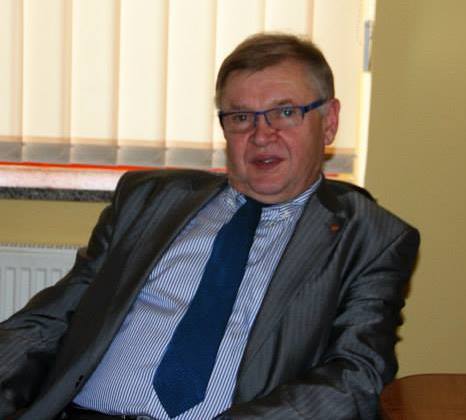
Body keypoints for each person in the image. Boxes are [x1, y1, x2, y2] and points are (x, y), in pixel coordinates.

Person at [0, 33, 419, 420]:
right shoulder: (148, 200)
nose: (261, 135)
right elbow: (51, 319)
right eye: (241, 117)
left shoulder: (370, 238)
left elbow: (356, 375)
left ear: (329, 121)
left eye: (286, 112)